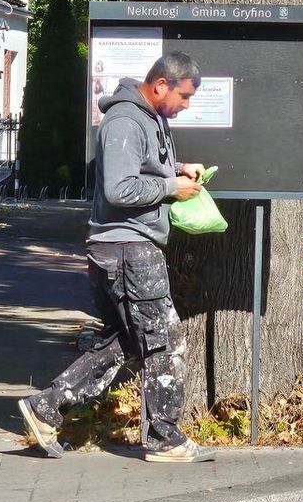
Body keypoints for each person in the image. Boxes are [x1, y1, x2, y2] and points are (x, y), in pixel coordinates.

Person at [18, 52, 216, 462]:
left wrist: (177, 168)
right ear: (160, 85)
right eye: (183, 96)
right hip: (127, 249)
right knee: (165, 341)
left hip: (127, 248)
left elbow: (141, 167)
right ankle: (164, 440)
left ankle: (45, 407)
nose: (186, 106)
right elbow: (119, 189)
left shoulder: (148, 118)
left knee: (125, 342)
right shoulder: (125, 120)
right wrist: (170, 189)